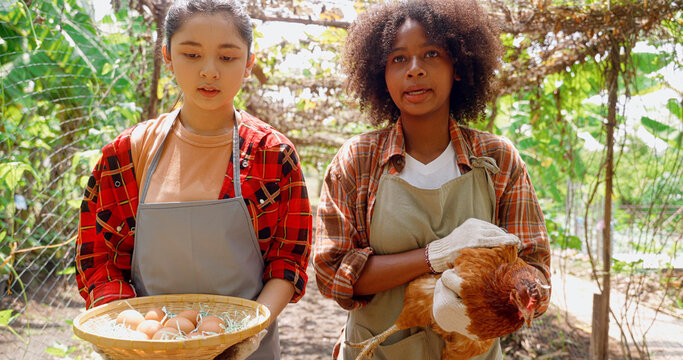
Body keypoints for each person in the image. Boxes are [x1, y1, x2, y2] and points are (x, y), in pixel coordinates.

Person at [313, 0, 551, 359]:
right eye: (398, 59)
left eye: (431, 54)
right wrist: (435, 255)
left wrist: (498, 299)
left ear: (458, 66)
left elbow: (536, 270)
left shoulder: (497, 160)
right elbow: (333, 275)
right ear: (381, 74)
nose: (414, 70)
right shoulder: (358, 160)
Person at [75, 1, 312, 359]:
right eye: (192, 54)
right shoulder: (127, 154)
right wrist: (135, 333)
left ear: (249, 63)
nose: (210, 71)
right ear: (168, 56)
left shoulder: (272, 155)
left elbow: (287, 263)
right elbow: (99, 258)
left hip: (249, 351)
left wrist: (246, 334)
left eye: (228, 58)